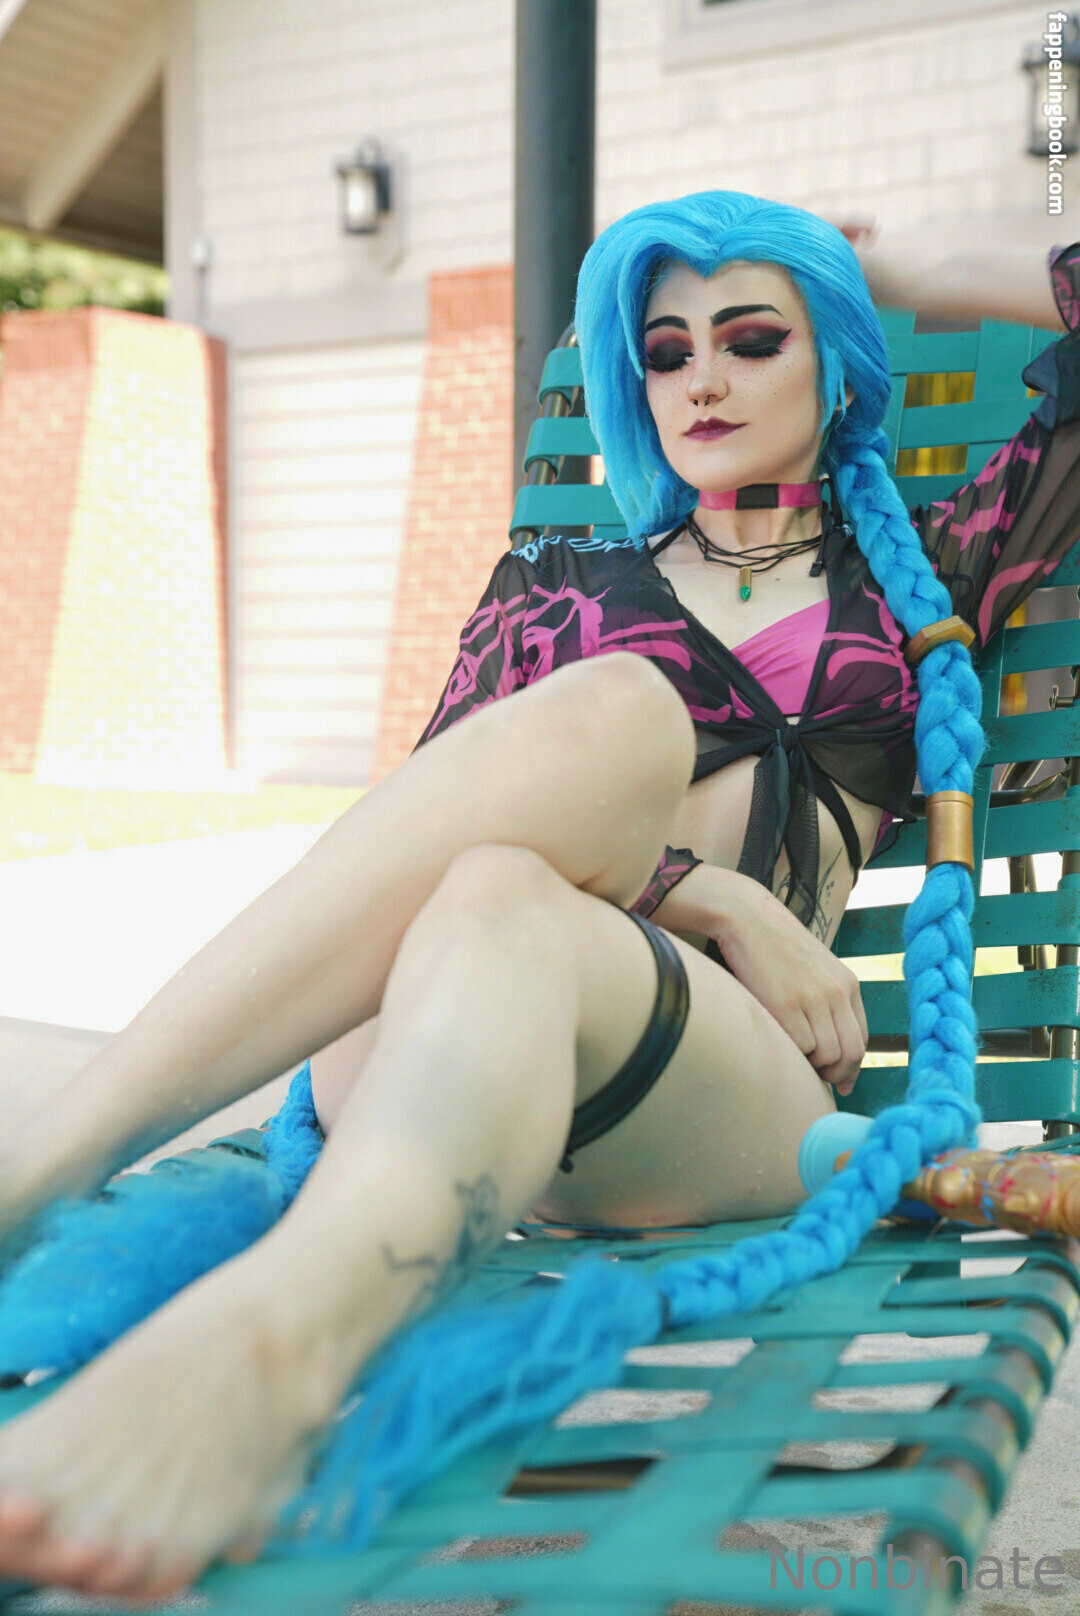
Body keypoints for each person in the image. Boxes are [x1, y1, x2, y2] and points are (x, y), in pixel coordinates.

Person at [0, 192, 1073, 1600]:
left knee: (539, 857)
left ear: (835, 360)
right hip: (442, 1033)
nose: (702, 378)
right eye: (667, 351)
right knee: (569, 784)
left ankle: (267, 1352)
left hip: (708, 1086)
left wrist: (894, 265)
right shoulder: (557, 586)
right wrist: (718, 898)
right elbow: (430, 842)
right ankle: (48, 1173)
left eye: (753, 338)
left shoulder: (927, 571)